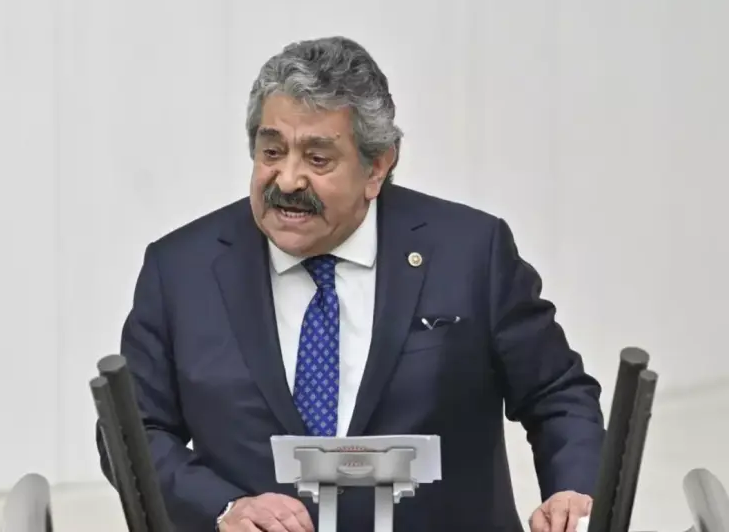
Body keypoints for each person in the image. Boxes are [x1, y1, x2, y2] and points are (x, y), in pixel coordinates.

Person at [97, 36, 604, 532]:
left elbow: (557, 394)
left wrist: (573, 493)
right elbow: (132, 433)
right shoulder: (182, 270)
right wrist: (223, 508)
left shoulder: (470, 253)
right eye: (271, 152)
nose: (288, 180)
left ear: (377, 166)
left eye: (317, 159)